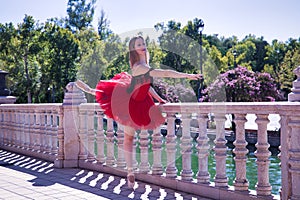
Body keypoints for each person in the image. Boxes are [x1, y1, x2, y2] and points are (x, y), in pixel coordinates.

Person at [75, 35, 202, 189]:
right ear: (134, 49)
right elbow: (164, 73)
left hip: (141, 100)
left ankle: (130, 171)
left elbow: (147, 86)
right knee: (128, 139)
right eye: (138, 44)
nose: (142, 46)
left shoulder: (143, 65)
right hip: (129, 102)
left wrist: (160, 99)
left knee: (130, 138)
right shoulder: (140, 67)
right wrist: (187, 76)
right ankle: (130, 172)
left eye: (143, 43)